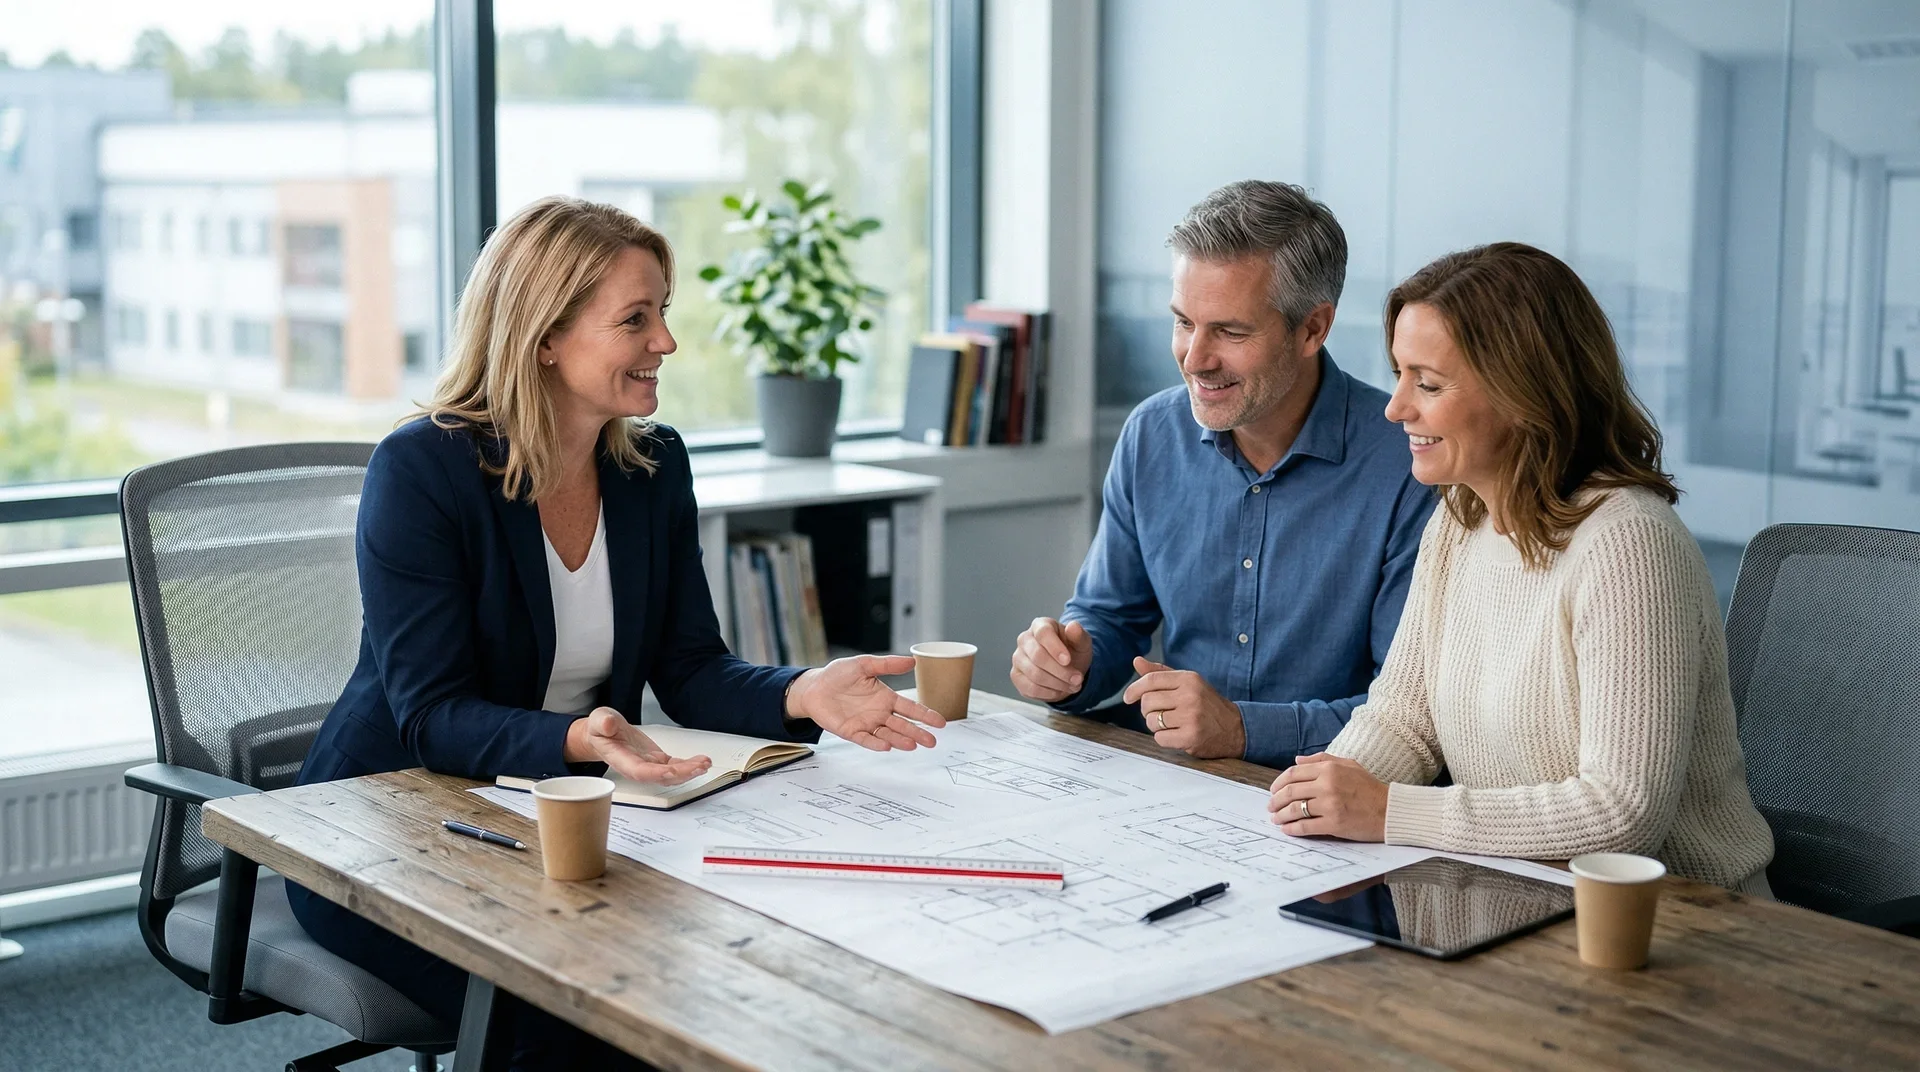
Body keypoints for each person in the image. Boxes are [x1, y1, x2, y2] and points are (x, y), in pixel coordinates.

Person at [287, 196, 948, 1068]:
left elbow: (689, 666)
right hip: (389, 824)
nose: (665, 342)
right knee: (575, 1016)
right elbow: (431, 715)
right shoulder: (423, 470)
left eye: (663, 313)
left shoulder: (653, 466)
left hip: (571, 811)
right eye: (636, 319)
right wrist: (577, 737)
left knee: (718, 977)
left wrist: (802, 692)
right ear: (544, 336)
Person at [1267, 242, 1774, 894]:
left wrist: (1388, 811)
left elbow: (1623, 815)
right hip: (1520, 898)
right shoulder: (1460, 521)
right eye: (1398, 374)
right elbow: (1404, 720)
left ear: (1521, 393)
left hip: (1682, 925)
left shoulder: (1629, 544)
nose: (1396, 407)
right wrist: (1319, 795)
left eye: (1427, 382)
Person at [1009, 180, 1434, 766]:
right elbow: (1108, 618)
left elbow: (1412, 712)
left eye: (1230, 332)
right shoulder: (1152, 434)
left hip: (1329, 797)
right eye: (1184, 322)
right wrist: (1070, 666)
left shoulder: (1408, 463)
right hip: (1168, 780)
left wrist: (1242, 730)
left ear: (1313, 328)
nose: (1194, 357)